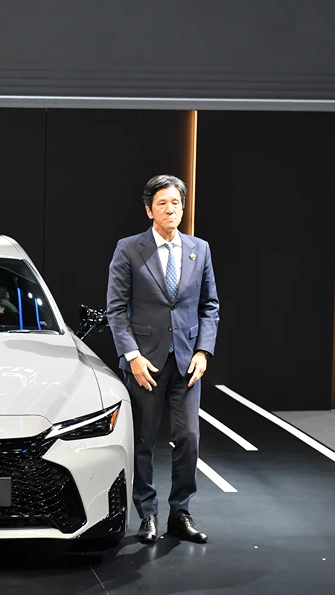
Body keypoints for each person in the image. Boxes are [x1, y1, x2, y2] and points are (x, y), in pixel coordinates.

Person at [106, 175, 219, 544]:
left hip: (187, 364)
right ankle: (147, 513)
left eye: (176, 203)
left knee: (189, 439)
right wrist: (132, 356)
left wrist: (203, 350)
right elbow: (116, 309)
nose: (170, 209)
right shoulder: (129, 248)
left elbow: (209, 306)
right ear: (149, 210)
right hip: (145, 365)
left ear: (183, 207)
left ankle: (180, 512)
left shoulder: (199, 249)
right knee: (143, 441)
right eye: (162, 204)